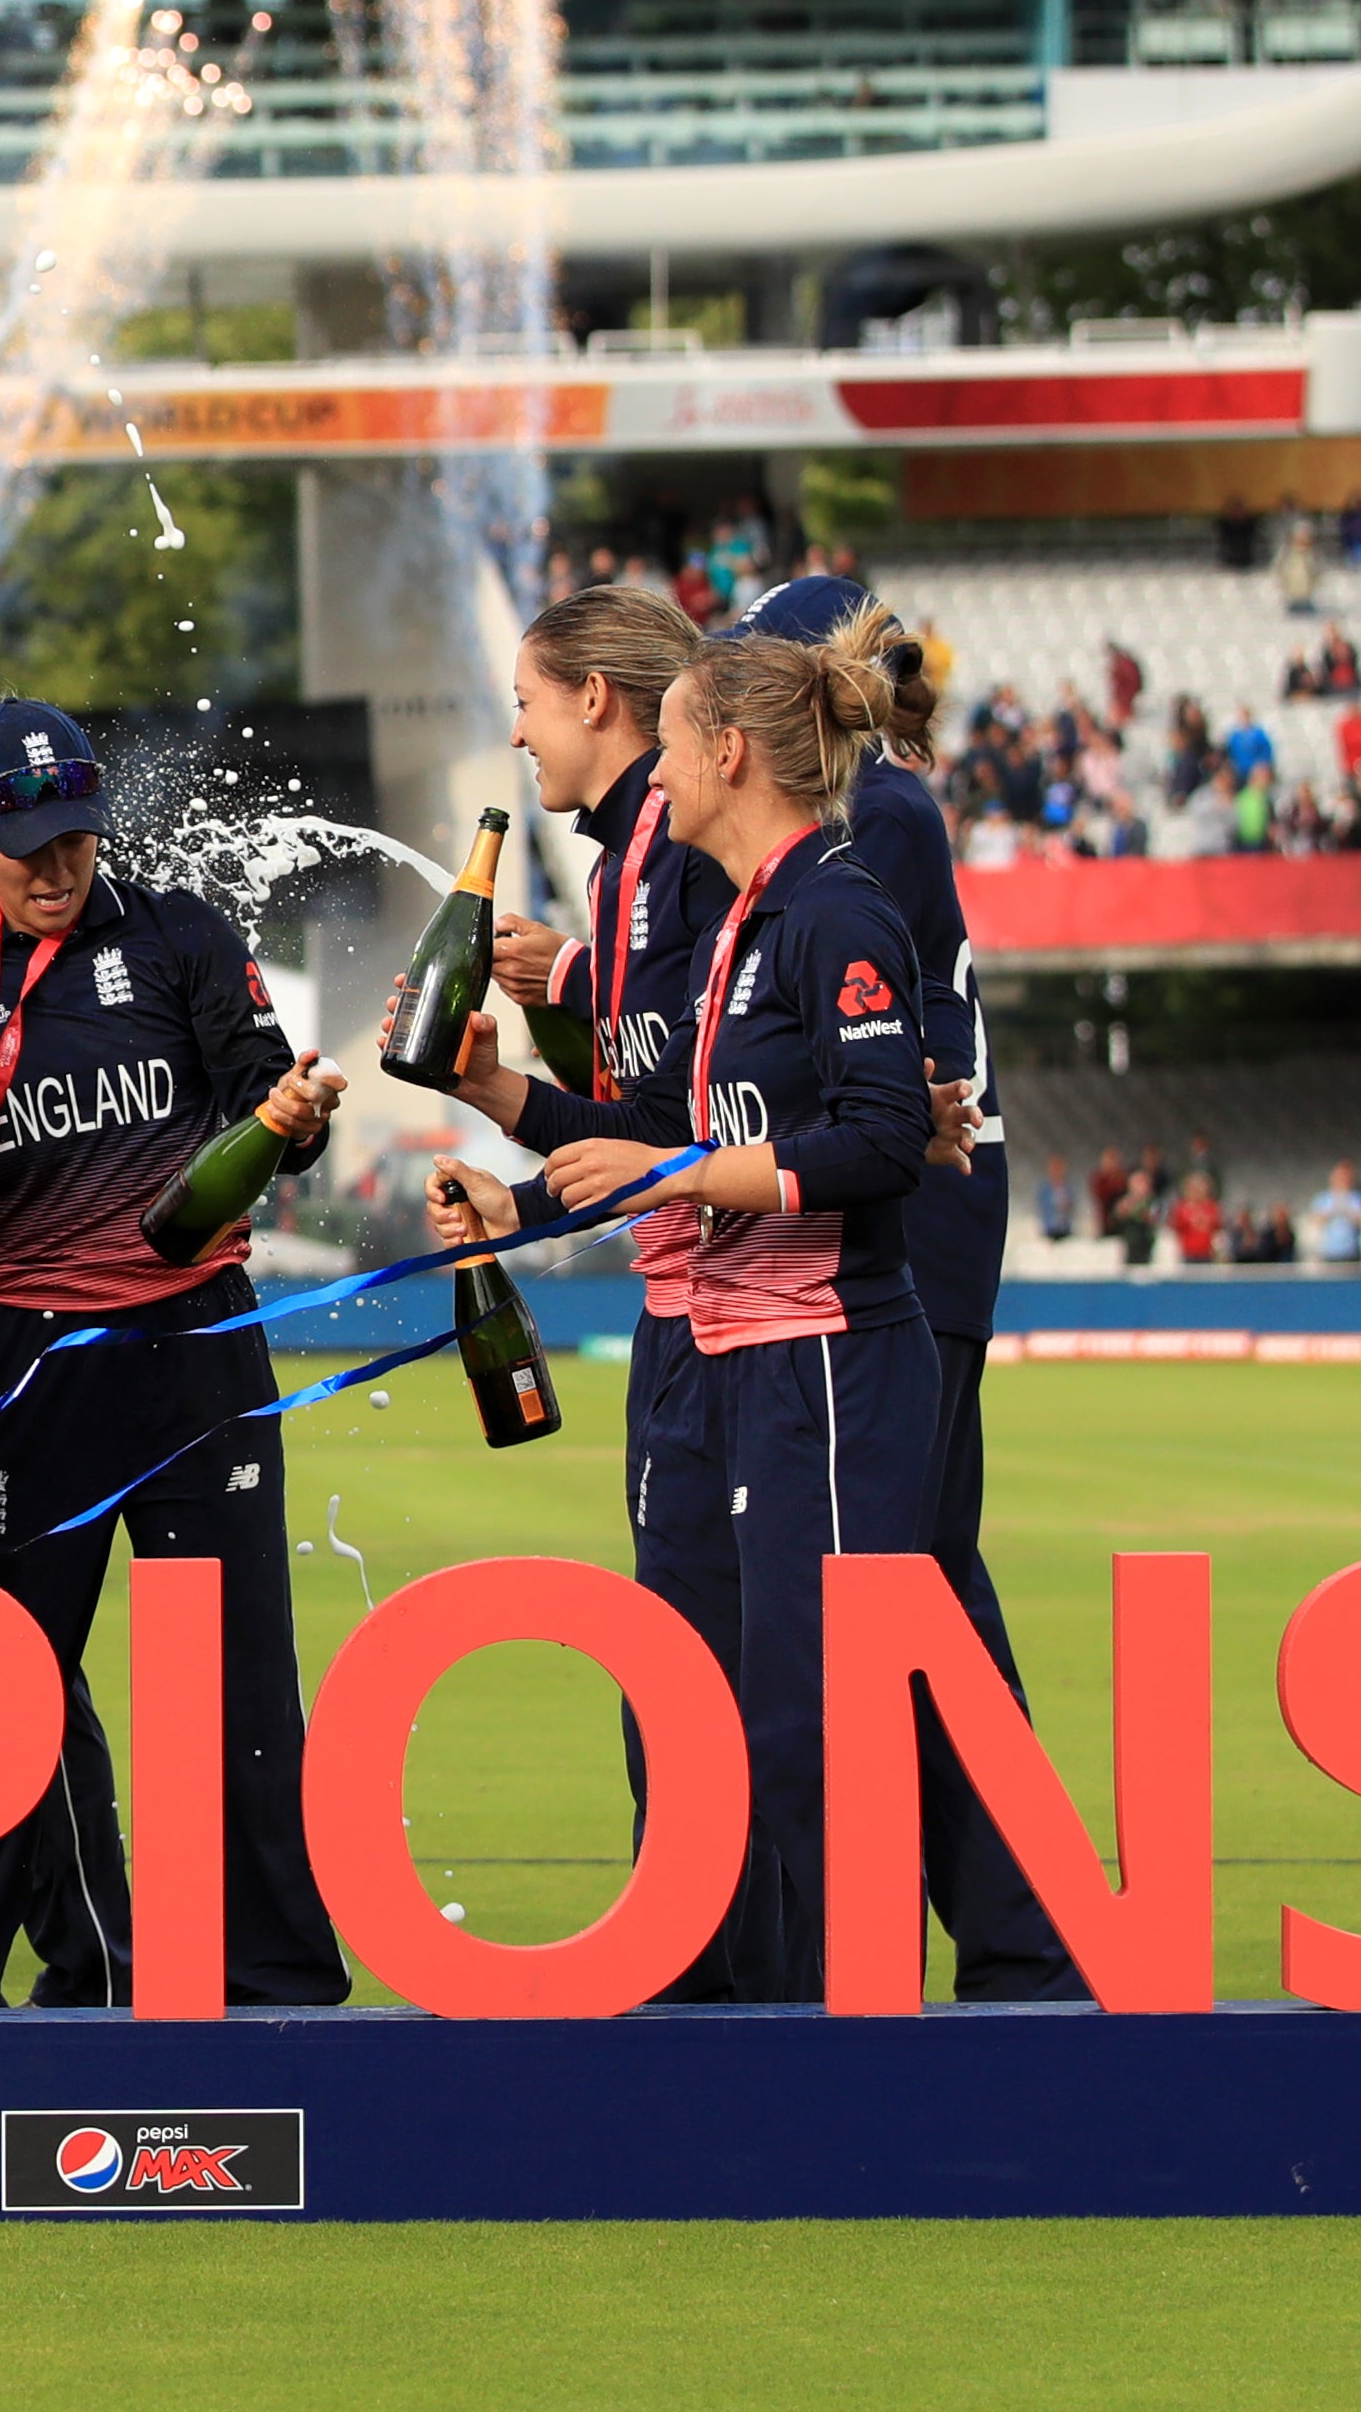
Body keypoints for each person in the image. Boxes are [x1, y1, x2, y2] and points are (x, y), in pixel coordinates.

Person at [431, 611, 968, 2005]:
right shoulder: (743, 922)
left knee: (816, 1732)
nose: (651, 784)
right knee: (709, 1717)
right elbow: (667, 1127)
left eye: (668, 750)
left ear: (729, 752)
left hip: (830, 1365)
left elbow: (874, 1141)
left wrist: (668, 1160)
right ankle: (758, 2027)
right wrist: (512, 1138)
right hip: (731, 1356)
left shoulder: (835, 911)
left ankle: (870, 2049)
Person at [0, 699, 347, 2009]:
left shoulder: (184, 936)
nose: (54, 868)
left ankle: (278, 1985)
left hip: (195, 1343)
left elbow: (269, 1101)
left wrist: (294, 1119)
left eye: (74, 837)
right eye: (22, 842)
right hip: (23, 1358)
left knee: (241, 1682)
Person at [731, 572, 1078, 2002]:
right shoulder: (893, 806)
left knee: (897, 1603)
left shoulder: (867, 815)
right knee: (926, 1590)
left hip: (904, 1236)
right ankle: (1027, 1938)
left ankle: (993, 1941)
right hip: (931, 1227)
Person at [414, 580, 747, 1997]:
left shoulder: (677, 853)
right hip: (690, 1313)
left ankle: (737, 1987)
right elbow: (644, 1113)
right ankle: (718, 1974)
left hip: (746, 1324)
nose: (518, 740)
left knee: (715, 1681)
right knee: (689, 1670)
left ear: (598, 701)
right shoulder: (622, 873)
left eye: (529, 708)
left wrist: (524, 1187)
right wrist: (511, 1081)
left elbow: (689, 1121)